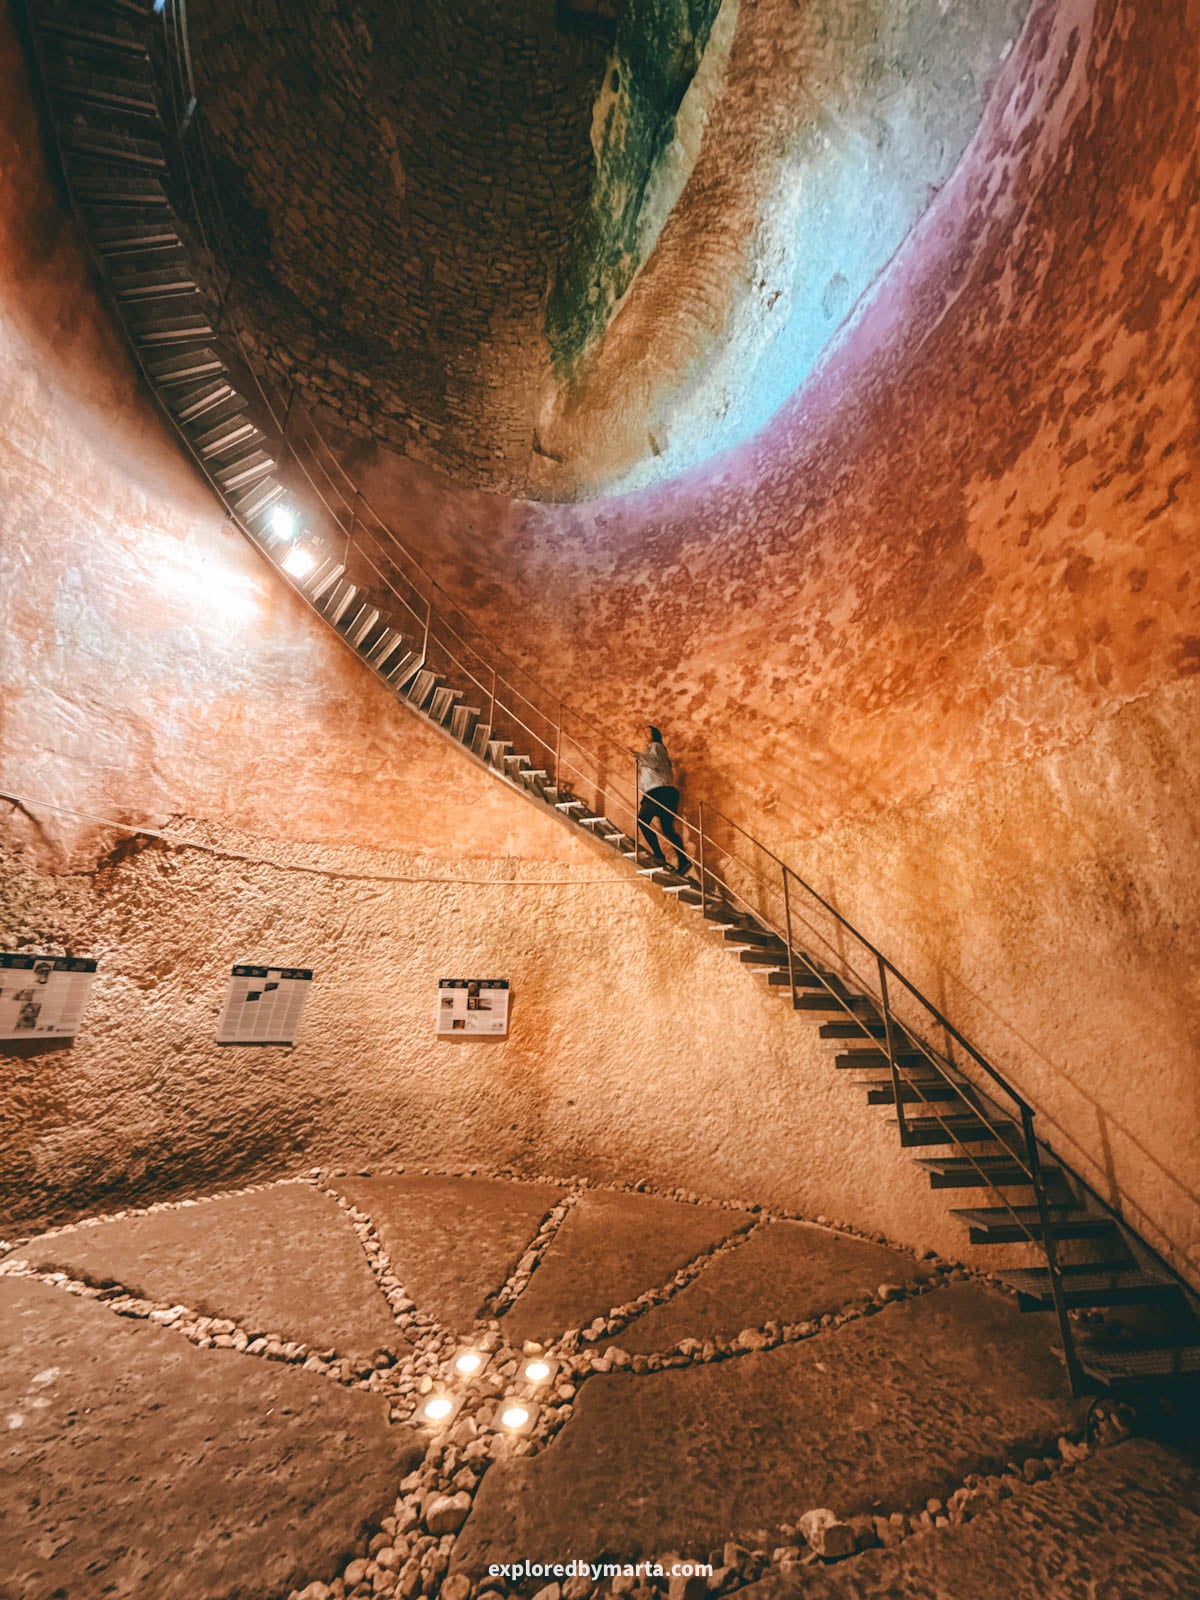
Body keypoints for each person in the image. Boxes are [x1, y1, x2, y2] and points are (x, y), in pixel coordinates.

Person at [636, 725, 691, 875]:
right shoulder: (655, 751)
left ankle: (659, 855)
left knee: (642, 820)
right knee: (668, 829)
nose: (646, 734)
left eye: (648, 732)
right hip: (666, 792)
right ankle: (683, 860)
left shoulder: (656, 746)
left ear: (655, 734)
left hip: (658, 791)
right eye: (644, 732)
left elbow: (653, 762)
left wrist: (637, 755)